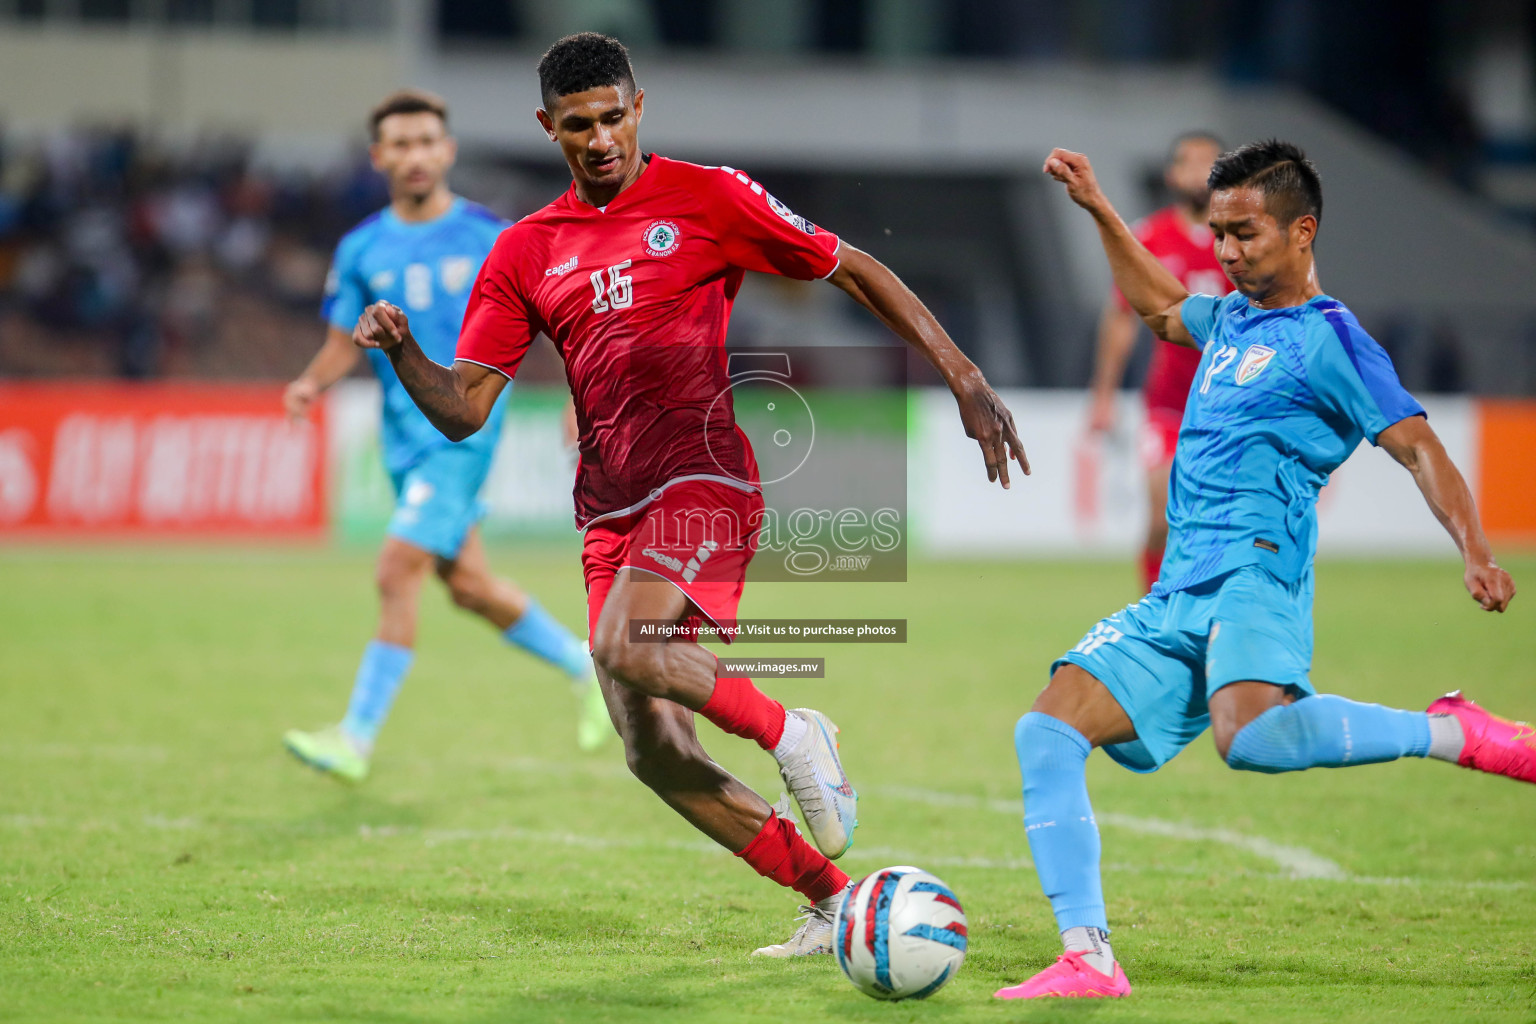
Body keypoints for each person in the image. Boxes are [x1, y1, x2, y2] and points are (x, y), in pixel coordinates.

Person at [352, 34, 1028, 956]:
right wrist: (403, 354)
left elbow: (854, 266)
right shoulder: (523, 251)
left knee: (624, 644)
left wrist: (962, 373)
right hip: (608, 505)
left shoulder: (710, 196)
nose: (599, 141)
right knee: (654, 751)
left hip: (703, 476)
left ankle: (794, 729)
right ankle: (833, 901)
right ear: (548, 128)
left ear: (640, 107)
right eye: (578, 125)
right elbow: (465, 410)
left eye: (613, 117)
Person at [998, 140, 1527, 1000]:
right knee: (1047, 729)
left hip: (1258, 573)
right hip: (1176, 588)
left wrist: (1474, 549)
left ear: (1301, 230)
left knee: (1251, 740)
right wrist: (1099, 209)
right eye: (1218, 235)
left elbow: (1419, 446)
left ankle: (1451, 732)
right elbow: (1161, 308)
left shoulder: (1335, 340)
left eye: (1245, 233)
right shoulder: (1231, 319)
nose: (1228, 252)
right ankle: (1088, 956)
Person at [282, 89, 612, 784]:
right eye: (399, 144)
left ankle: (356, 738)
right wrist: (314, 383)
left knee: (396, 568)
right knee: (469, 588)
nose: (415, 155)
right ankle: (586, 667)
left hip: (461, 434)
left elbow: (561, 320)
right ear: (379, 157)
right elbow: (346, 340)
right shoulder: (362, 247)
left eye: (427, 141)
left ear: (448, 149)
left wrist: (582, 397)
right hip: (403, 438)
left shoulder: (492, 237)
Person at [1086, 132, 1231, 593]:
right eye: (1190, 163)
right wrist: (1104, 395)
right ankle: (1154, 613)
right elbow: (1121, 319)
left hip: (1234, 408)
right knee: (1161, 517)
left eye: (1211, 163)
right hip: (1168, 405)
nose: (1199, 173)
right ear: (1172, 174)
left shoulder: (1246, 239)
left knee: (1225, 530)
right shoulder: (1150, 236)